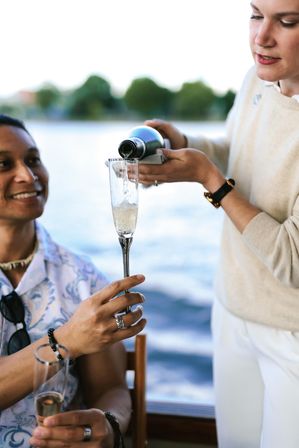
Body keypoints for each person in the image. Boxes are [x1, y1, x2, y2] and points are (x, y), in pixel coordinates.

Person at [138, 0, 299, 446]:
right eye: (255, 14)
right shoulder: (260, 78)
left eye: (287, 22)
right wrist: (186, 143)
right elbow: (237, 149)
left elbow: (293, 260)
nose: (260, 37)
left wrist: (208, 178)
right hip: (230, 310)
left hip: (292, 332)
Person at [0, 114, 146, 447]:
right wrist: (65, 340)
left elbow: (112, 391)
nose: (27, 175)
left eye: (33, 159)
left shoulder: (82, 278)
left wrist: (108, 425)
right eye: (3, 165)